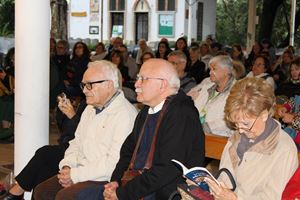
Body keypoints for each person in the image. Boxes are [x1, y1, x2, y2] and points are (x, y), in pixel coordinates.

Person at [77, 58, 205, 199]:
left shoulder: (181, 114)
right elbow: (127, 150)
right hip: (138, 184)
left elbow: (166, 169)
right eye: (138, 78)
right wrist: (116, 181)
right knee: (80, 196)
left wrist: (122, 194)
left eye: (143, 79)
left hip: (164, 191)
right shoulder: (147, 111)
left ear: (162, 84)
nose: (136, 84)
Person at [33, 60, 138, 200]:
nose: (84, 90)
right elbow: (76, 142)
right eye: (83, 85)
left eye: (89, 85)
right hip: (81, 170)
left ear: (109, 85)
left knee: (65, 196)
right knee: (42, 191)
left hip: (105, 178)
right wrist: (67, 166)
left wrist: (75, 175)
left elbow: (113, 163)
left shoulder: (125, 114)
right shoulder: (90, 108)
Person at [205, 77, 298, 200]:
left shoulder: (283, 148)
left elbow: (274, 197)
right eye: (236, 123)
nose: (240, 130)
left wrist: (235, 199)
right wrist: (205, 186)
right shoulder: (236, 137)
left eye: (245, 124)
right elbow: (224, 180)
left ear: (264, 115)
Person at [2, 96, 87, 200]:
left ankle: (17, 191)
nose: (86, 90)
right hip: (71, 146)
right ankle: (17, 192)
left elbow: (88, 137)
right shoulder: (88, 105)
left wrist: (73, 117)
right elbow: (68, 132)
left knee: (45, 153)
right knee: (44, 168)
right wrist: (64, 113)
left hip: (83, 151)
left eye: (89, 85)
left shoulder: (103, 111)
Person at [188, 55, 235, 137]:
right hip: (195, 133)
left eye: (214, 69)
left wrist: (205, 127)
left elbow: (232, 120)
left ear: (227, 71)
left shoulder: (237, 91)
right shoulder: (206, 87)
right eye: (210, 69)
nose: (210, 73)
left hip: (219, 138)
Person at [0, 66, 14, 139]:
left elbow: (11, 90)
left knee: (7, 105)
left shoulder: (11, 75)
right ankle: (7, 132)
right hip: (5, 99)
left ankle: (7, 132)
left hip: (9, 99)